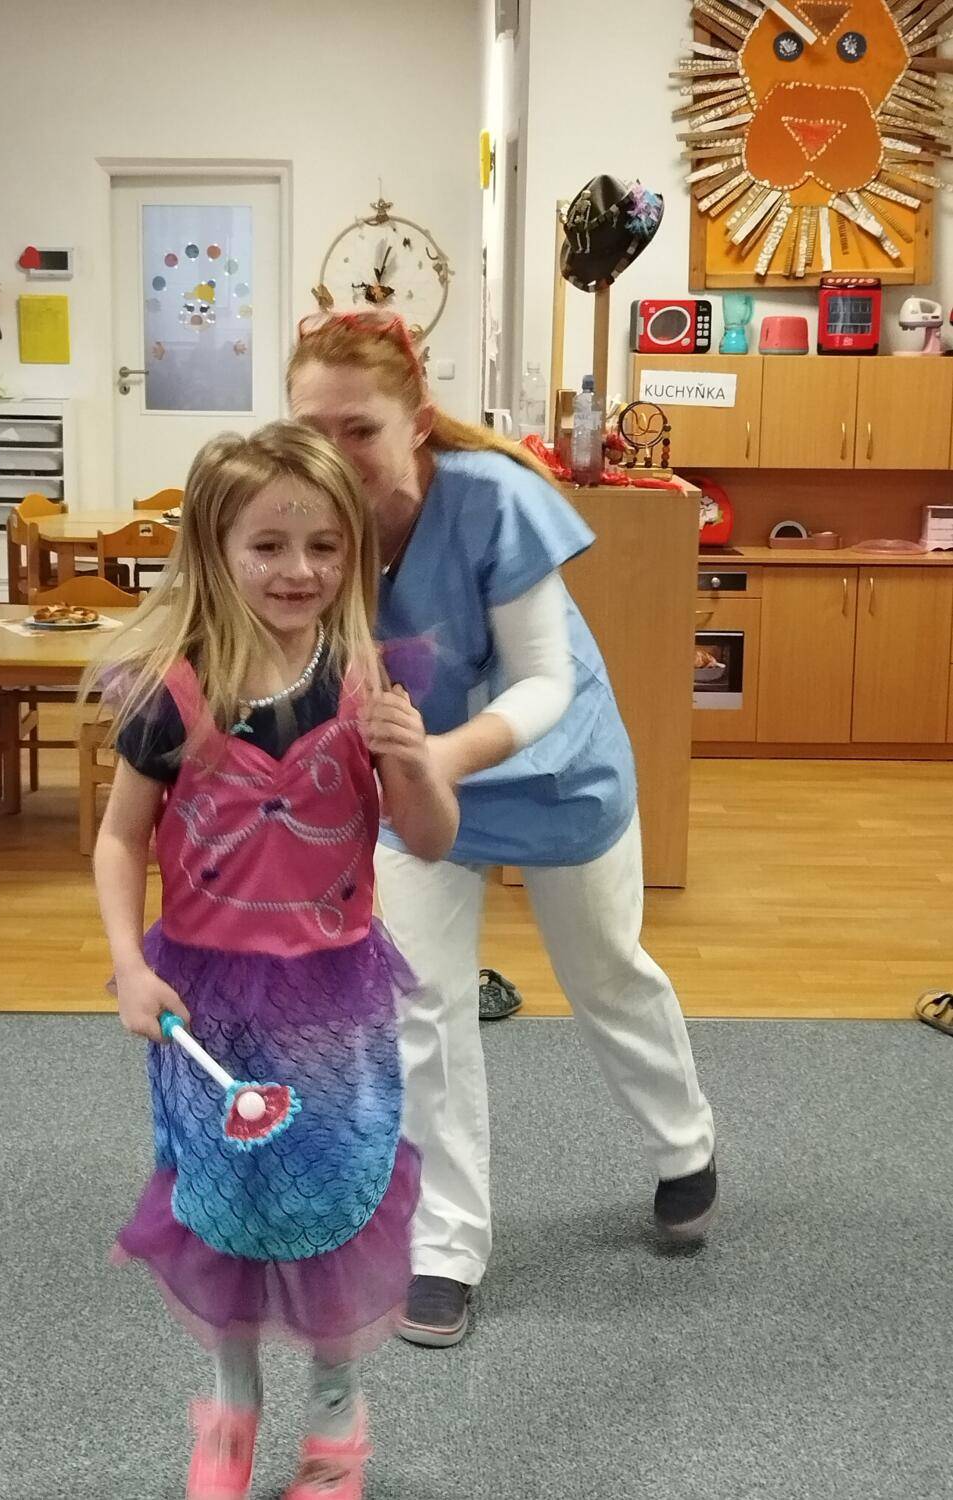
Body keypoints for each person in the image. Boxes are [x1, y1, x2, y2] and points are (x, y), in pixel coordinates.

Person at [288, 311, 717, 1349]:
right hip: (416, 783)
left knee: (605, 973)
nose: (334, 454)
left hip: (552, 771)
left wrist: (440, 758)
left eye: (359, 428)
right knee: (419, 1005)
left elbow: (543, 679)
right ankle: (444, 1245)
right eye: (311, 430)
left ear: (416, 421)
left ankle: (684, 1143)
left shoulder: (492, 498)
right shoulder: (302, 520)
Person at [89, 423, 458, 1499]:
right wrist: (127, 965)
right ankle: (230, 1401)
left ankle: (337, 1415)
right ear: (215, 550)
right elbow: (118, 839)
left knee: (333, 1194)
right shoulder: (171, 694)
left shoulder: (366, 684)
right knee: (222, 1203)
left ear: (354, 555)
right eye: (268, 545)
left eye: (324, 546)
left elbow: (430, 837)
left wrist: (413, 763)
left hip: (332, 1001)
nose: (299, 570)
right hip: (204, 1004)